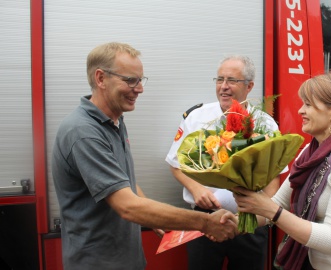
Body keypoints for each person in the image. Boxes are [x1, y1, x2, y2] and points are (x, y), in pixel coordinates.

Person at [51, 42, 237, 270]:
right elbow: (127, 206)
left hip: (125, 259)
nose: (139, 89)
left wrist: (155, 215)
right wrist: (204, 223)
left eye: (140, 80)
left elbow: (123, 182)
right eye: (130, 80)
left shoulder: (113, 121)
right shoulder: (84, 133)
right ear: (101, 79)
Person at [233, 71, 331, 270]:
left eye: (308, 105)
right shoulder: (309, 154)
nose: (300, 111)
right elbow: (277, 203)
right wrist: (234, 222)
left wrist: (271, 211)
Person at [166, 55, 283, 270]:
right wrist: (197, 189)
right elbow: (175, 163)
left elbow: (274, 177)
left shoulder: (265, 123)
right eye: (220, 80)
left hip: (249, 223)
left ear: (249, 86)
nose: (224, 87)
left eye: (232, 81)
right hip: (204, 221)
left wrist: (262, 210)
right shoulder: (196, 117)